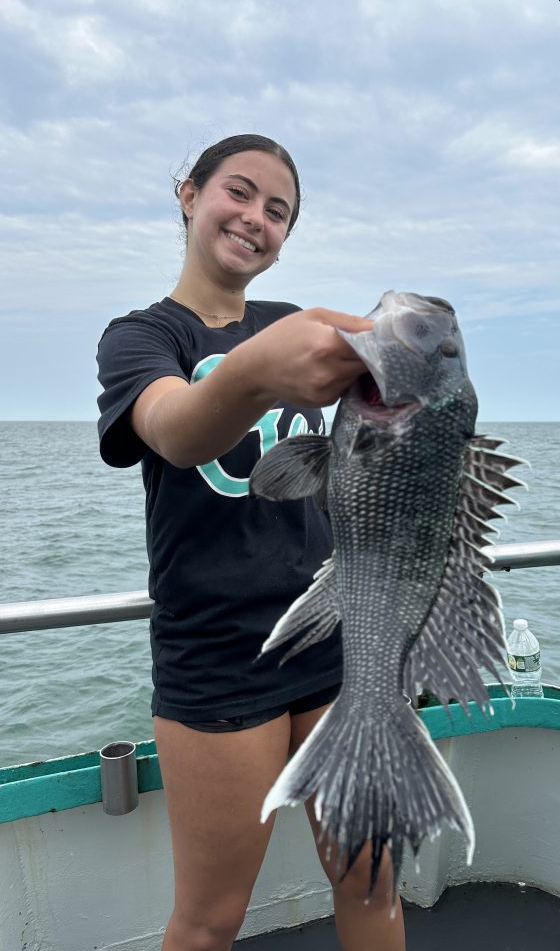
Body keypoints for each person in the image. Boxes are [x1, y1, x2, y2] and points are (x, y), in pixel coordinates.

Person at [96, 134, 406, 951]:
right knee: (210, 921)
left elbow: (393, 419)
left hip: (336, 643)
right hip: (219, 656)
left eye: (280, 212)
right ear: (190, 194)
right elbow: (174, 431)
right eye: (240, 193)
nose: (257, 219)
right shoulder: (141, 339)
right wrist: (252, 370)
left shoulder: (292, 325)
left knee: (373, 883)